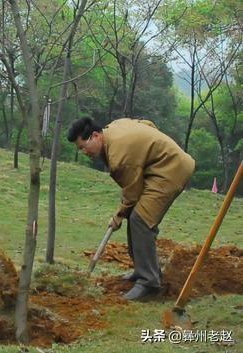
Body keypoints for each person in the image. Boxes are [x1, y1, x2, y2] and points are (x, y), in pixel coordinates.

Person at [67, 117, 195, 301]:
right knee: (135, 217)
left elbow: (131, 194)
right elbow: (147, 124)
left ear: (95, 136)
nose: (83, 152)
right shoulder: (112, 128)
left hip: (171, 169)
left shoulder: (119, 155)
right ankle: (142, 270)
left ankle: (149, 283)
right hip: (156, 167)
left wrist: (118, 216)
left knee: (141, 220)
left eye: (82, 146)